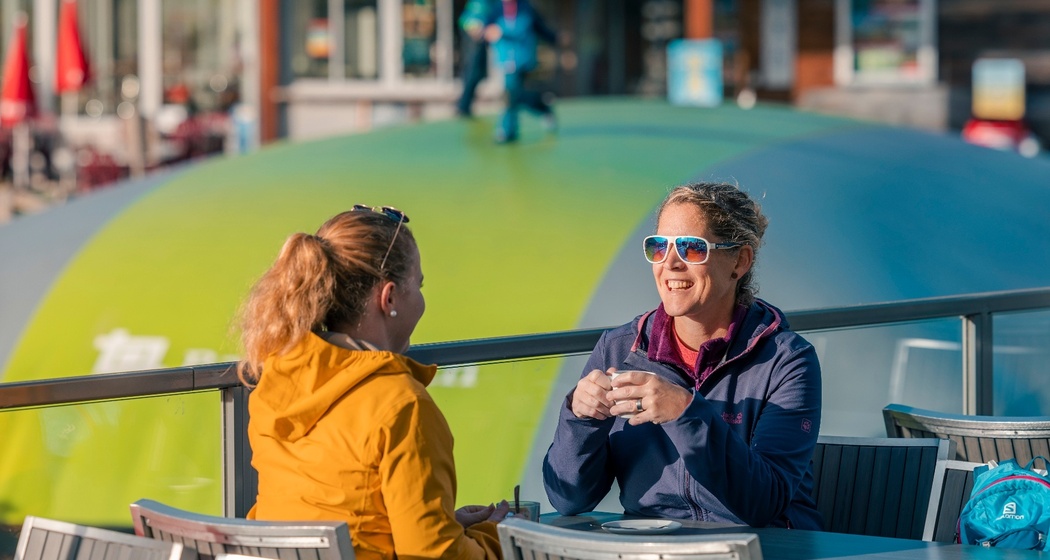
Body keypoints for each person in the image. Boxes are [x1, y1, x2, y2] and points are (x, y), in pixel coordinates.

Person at [542, 182, 823, 530]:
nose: (670, 263)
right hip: (651, 546)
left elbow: (763, 503)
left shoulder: (788, 361)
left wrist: (685, 413)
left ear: (739, 261)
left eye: (692, 248)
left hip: (763, 546)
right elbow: (568, 499)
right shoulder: (619, 348)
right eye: (659, 247)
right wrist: (580, 418)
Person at [237, 205, 510, 560]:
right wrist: (500, 537)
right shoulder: (402, 405)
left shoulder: (277, 377)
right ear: (389, 297)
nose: (422, 299)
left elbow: (329, 511)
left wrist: (446, 523)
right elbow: (433, 556)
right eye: (419, 286)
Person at [479, 0, 557, 144]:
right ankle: (542, 108)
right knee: (513, 94)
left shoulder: (526, 8)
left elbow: (539, 28)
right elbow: (486, 30)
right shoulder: (496, 9)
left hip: (522, 58)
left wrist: (555, 38)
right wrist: (486, 33)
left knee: (511, 93)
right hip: (505, 58)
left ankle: (507, 130)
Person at [455, 0, 494, 117]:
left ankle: (465, 104)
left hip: (481, 38)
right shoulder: (478, 2)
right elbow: (465, 20)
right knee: (472, 71)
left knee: (479, 73)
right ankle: (463, 106)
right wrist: (474, 28)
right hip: (473, 38)